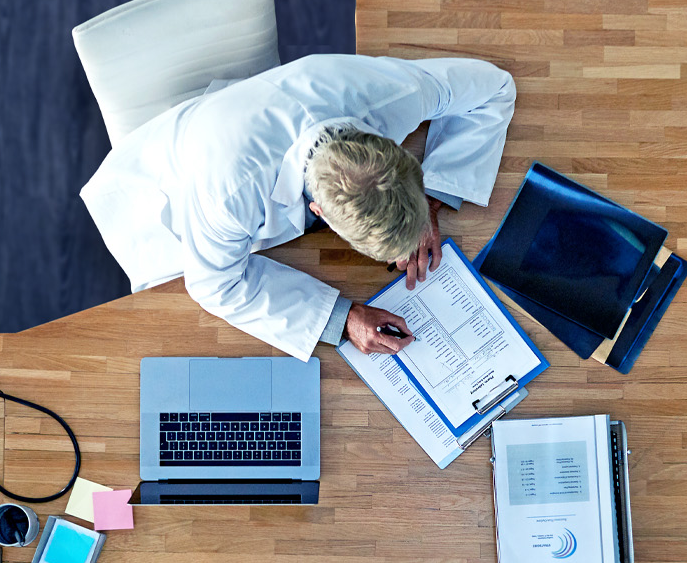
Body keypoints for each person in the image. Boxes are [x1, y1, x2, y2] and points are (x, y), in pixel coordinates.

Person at [80, 54, 516, 359]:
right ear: (320, 214)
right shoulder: (227, 195)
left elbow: (494, 86)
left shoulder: (392, 93)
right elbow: (216, 286)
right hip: (162, 193)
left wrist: (429, 203)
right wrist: (343, 318)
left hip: (254, 111)